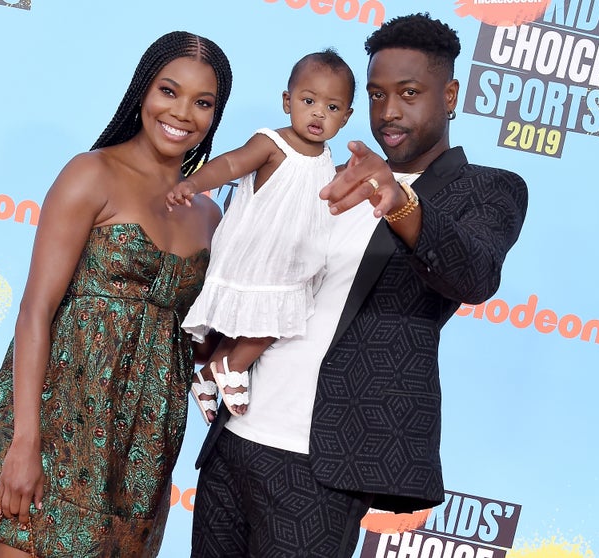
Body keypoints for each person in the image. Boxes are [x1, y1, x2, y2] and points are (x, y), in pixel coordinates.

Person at [191, 12, 528, 558]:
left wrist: (401, 201)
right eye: (375, 94)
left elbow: (475, 272)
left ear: (450, 95)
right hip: (235, 441)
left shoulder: (487, 190)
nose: (388, 111)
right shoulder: (325, 171)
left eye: (409, 92)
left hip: (322, 466)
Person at [0, 30, 232, 558]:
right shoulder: (92, 173)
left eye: (202, 102)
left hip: (143, 442)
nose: (183, 113)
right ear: (143, 91)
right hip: (58, 420)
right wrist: (25, 443)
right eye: (169, 91)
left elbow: (191, 338)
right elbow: (34, 313)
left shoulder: (210, 215)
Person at [165, 49, 355, 422]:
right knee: (272, 322)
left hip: (292, 259)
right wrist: (194, 183)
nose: (319, 113)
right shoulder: (272, 143)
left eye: (333, 108)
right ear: (288, 102)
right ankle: (230, 368)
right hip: (258, 253)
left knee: (260, 320)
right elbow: (232, 163)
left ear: (346, 117)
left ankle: (207, 375)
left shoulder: (326, 158)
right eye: (308, 101)